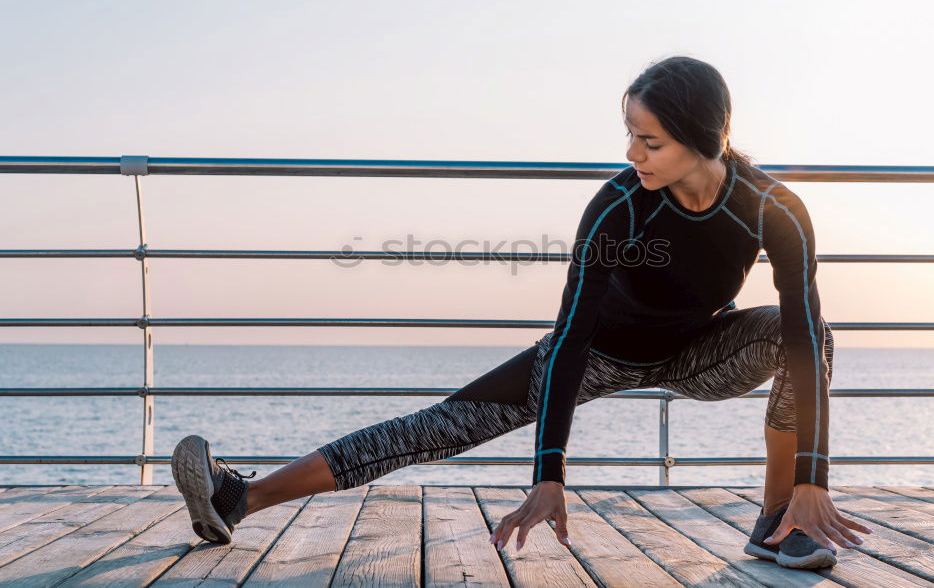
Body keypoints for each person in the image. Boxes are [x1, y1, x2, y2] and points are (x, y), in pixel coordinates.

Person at [171, 55, 873, 571]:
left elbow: (807, 335)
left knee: (801, 333)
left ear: (707, 141)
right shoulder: (619, 204)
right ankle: (241, 498)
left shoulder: (775, 210)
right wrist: (550, 473)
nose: (631, 153)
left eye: (650, 141)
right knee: (435, 427)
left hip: (702, 353)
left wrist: (816, 475)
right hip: (596, 352)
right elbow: (570, 337)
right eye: (628, 133)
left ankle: (783, 516)